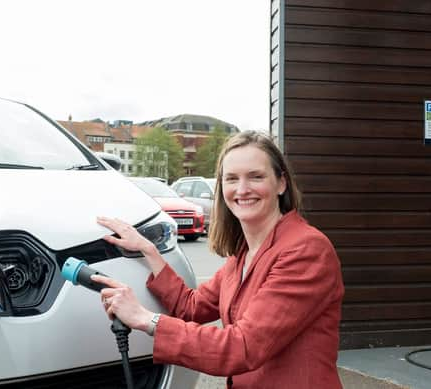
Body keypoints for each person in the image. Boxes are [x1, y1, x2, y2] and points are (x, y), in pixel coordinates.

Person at [93, 131, 344, 389]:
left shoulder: (305, 250)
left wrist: (146, 319)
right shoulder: (243, 254)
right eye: (232, 179)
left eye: (256, 177)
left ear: (281, 183)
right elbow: (191, 307)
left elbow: (242, 347)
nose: (242, 189)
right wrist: (149, 250)